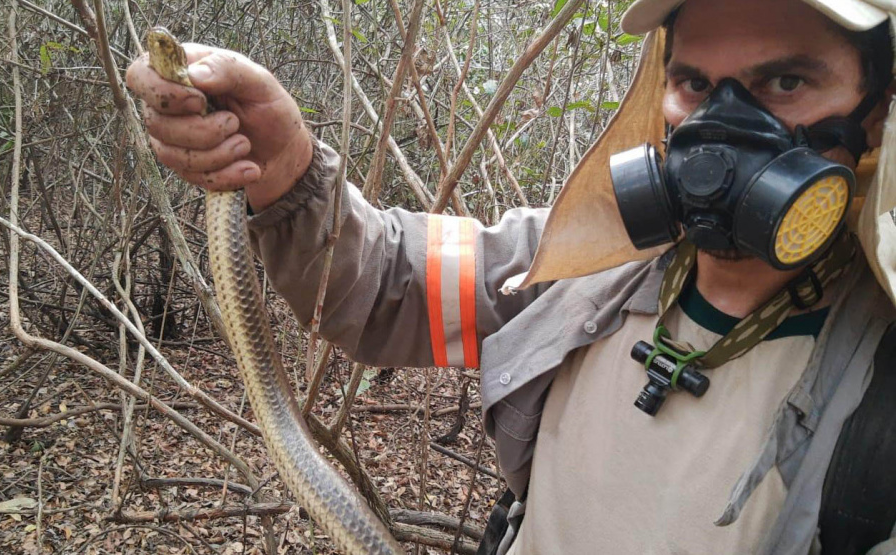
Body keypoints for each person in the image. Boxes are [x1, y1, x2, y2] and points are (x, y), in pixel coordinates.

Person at [126, 0, 896, 552]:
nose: (719, 127)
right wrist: (285, 165)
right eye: (694, 85)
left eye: (783, 84)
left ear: (874, 111)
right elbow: (383, 281)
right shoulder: (577, 262)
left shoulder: (880, 378)